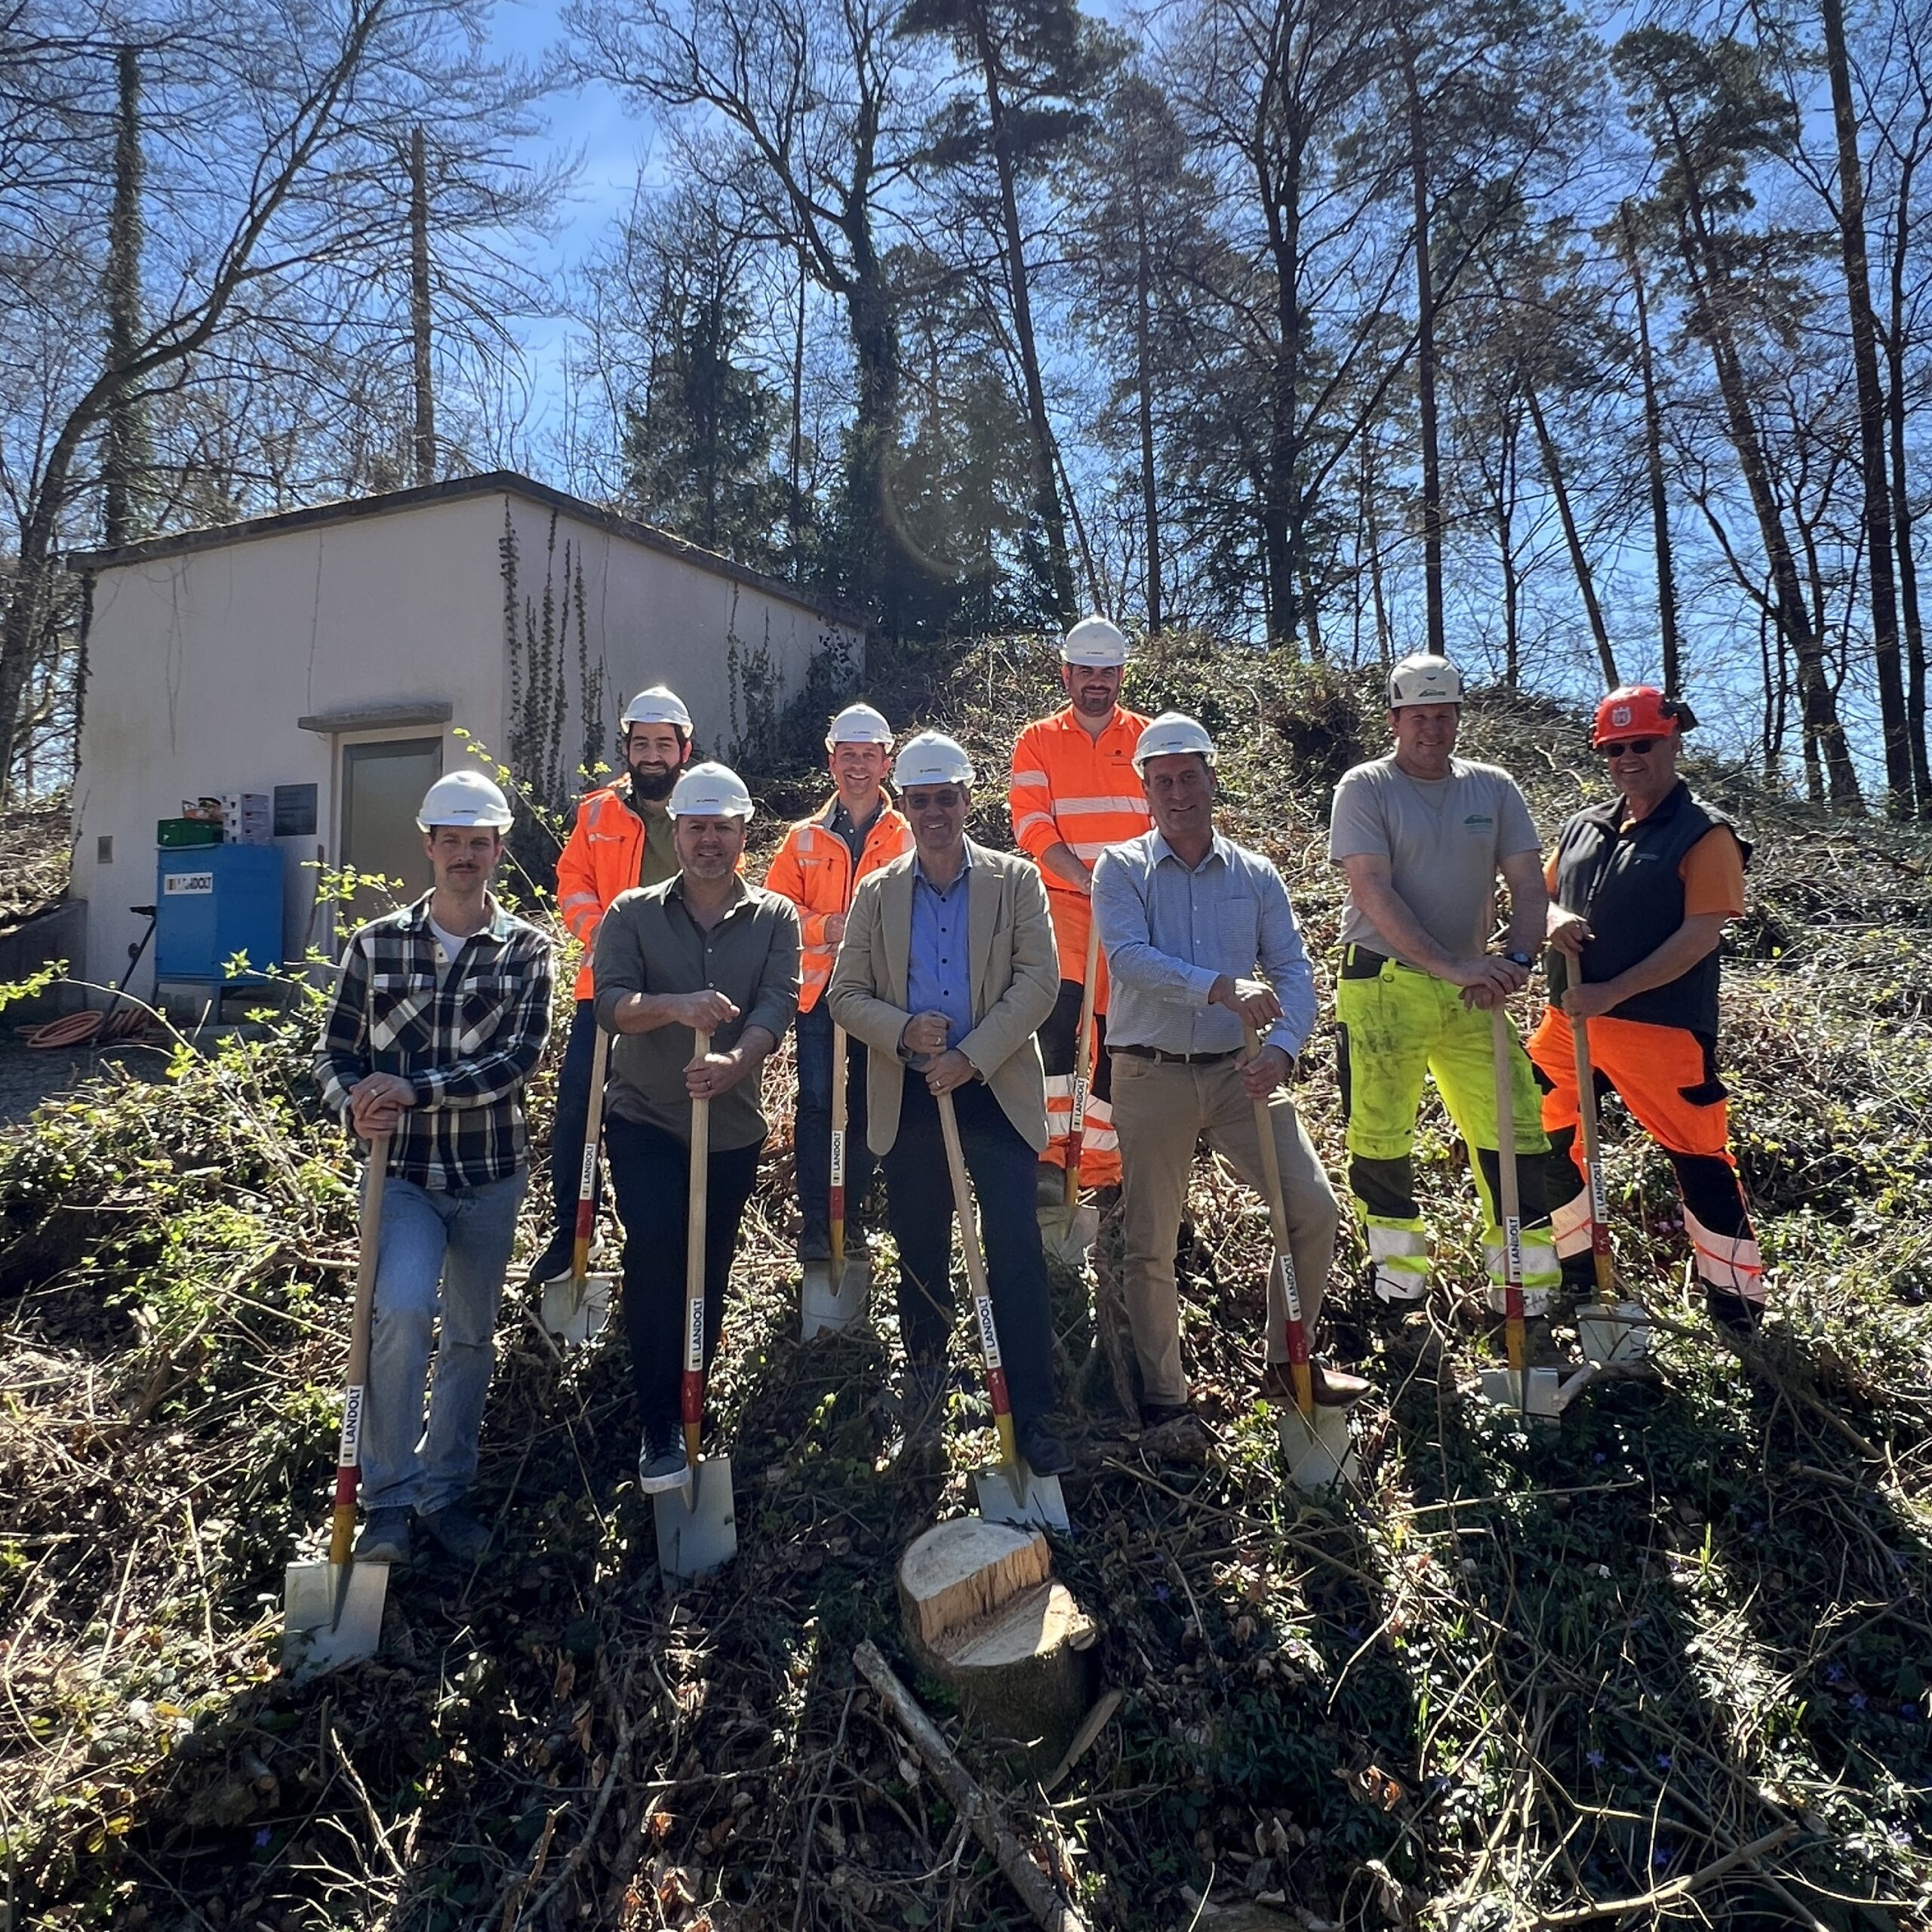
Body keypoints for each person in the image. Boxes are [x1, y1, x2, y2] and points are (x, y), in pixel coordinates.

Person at [315, 770, 555, 1567]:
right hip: (403, 1177)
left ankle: (443, 1492)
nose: (463, 854)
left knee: (471, 1337)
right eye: (449, 840)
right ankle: (384, 1503)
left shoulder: (527, 949)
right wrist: (351, 1102)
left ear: (497, 849)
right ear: (427, 845)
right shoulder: (374, 943)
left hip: (488, 1174)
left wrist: (413, 1088)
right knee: (403, 1311)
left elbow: (515, 1063)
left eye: (477, 842)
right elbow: (335, 1053)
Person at [1095, 715, 1361, 1428]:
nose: (1179, 793)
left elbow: (1294, 971)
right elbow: (1127, 958)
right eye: (1163, 783)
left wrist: (1284, 1048)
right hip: (1150, 1076)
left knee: (1310, 1208)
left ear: (1213, 779)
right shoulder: (1120, 869)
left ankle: (1288, 1363)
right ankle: (1165, 1396)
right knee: (1152, 1241)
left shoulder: (1256, 874)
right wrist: (1218, 986)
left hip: (1243, 1075)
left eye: (1190, 778)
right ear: (1145, 792)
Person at [828, 731, 1073, 1475]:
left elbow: (1038, 981)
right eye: (920, 800)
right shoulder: (877, 892)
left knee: (1013, 1247)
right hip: (909, 1093)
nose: (934, 811)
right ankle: (928, 1381)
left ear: (969, 801)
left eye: (946, 798)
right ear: (903, 806)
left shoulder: (1015, 881)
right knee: (921, 1245)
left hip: (992, 1089)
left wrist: (972, 1056)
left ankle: (1028, 1409)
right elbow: (843, 995)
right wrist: (903, 1031)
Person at [1329, 653, 1559, 1317]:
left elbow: (1526, 883)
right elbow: (1371, 891)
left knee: (1513, 1125)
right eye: (1418, 716)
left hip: (1474, 988)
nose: (1431, 728)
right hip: (1383, 984)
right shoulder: (1366, 787)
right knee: (1379, 1131)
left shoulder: (1492, 788)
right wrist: (1454, 966)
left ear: (1458, 717)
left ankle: (1525, 1286)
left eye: (1443, 715)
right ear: (1395, 719)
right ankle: (1399, 1279)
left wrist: (1515, 958)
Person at [1531, 687, 1764, 1336]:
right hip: (1569, 1023)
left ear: (1672, 743)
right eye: (1616, 748)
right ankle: (1580, 1267)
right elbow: (1533, 895)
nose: (1630, 758)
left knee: (1698, 1156)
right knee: (1540, 1131)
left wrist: (1613, 991)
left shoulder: (1706, 833)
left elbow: (1701, 937)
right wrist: (1551, 919)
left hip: (1660, 1031)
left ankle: (1736, 1302)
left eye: (1643, 745)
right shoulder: (1585, 826)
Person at [592, 761, 800, 1492]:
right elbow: (610, 1004)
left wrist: (737, 1063)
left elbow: (777, 1003)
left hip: (730, 1125)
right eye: (695, 826)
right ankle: (656, 1423)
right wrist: (676, 1007)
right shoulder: (631, 912)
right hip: (645, 1117)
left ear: (743, 833)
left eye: (722, 827)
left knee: (706, 1269)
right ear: (674, 832)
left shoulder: (775, 916)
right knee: (656, 1246)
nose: (708, 839)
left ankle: (693, 1404)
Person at [526, 685, 694, 1287]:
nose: (652, 756)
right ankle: (572, 1229)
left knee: (667, 1111)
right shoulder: (596, 811)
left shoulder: (702, 807)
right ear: (626, 748)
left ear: (684, 749)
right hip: (606, 988)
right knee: (579, 1106)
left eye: (663, 745)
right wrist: (597, 932)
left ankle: (667, 1231)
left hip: (679, 995)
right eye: (641, 744)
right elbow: (572, 880)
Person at [762, 704, 913, 1275]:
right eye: (847, 755)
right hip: (820, 997)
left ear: (886, 762)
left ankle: (856, 1217)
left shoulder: (906, 835)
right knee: (821, 1105)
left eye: (868, 756)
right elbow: (775, 913)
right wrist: (828, 926)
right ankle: (819, 1225)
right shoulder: (802, 839)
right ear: (831, 761)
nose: (857, 767)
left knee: (869, 1107)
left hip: (880, 997)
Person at [1008, 617, 1152, 1204]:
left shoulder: (1146, 738)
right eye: (1086, 671)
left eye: (1108, 672)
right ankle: (1049, 1159)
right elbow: (1032, 823)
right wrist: (1087, 878)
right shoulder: (1037, 739)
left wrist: (1121, 889)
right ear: (1066, 673)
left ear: (1121, 675)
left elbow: (1161, 824)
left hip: (1132, 912)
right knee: (1056, 1033)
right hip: (1061, 906)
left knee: (1118, 1038)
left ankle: (1101, 1167)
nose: (1097, 682)